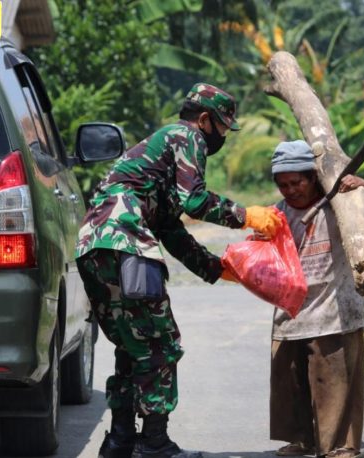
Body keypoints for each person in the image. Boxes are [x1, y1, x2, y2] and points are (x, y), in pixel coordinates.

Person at [75, 83, 281, 458]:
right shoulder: (187, 136)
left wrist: (216, 268)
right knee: (160, 344)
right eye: (222, 127)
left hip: (93, 248)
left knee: (132, 345)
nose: (222, 138)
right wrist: (246, 215)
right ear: (204, 120)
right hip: (127, 243)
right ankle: (154, 444)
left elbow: (172, 230)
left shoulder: (156, 161)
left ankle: (121, 442)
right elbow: (196, 201)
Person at [267, 140, 364, 458]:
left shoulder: (341, 202)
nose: (291, 190)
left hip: (335, 307)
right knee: (291, 380)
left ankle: (342, 445)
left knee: (336, 380)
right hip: (293, 309)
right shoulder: (278, 213)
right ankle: (302, 439)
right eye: (283, 185)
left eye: (297, 182)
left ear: (312, 177)